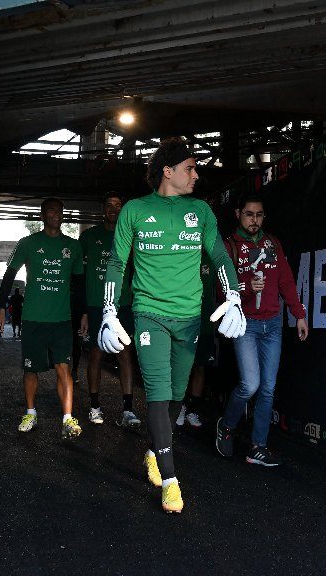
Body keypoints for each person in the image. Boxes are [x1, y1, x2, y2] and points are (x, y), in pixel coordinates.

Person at [98, 138, 245, 513]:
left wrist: (233, 297)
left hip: (190, 317)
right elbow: (117, 263)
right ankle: (170, 479)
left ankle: (153, 450)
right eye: (190, 168)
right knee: (159, 393)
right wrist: (109, 311)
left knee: (177, 393)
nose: (196, 175)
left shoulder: (201, 210)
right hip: (149, 313)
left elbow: (219, 256)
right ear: (168, 171)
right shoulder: (134, 210)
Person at [215, 194, 309, 466]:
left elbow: (287, 282)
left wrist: (299, 315)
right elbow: (222, 291)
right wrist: (245, 286)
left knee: (267, 389)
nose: (254, 219)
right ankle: (227, 425)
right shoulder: (229, 246)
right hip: (246, 324)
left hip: (273, 324)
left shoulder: (273, 244)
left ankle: (258, 446)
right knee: (250, 385)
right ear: (238, 214)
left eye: (258, 214)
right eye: (249, 214)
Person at [0, 198, 85, 439]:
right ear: (42, 215)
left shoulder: (73, 247)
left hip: (62, 320)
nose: (56, 214)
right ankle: (31, 413)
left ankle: (67, 419)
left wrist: (84, 314)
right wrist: (1, 307)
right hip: (33, 319)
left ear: (63, 215)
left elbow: (79, 284)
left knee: (63, 368)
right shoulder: (28, 243)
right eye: (51, 211)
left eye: (59, 211)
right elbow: (9, 275)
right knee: (30, 369)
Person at [78, 192, 142, 430]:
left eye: (118, 205)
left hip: (123, 305)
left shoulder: (130, 237)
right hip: (96, 306)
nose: (114, 209)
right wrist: (84, 310)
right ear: (102, 209)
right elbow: (78, 274)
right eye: (109, 205)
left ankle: (128, 410)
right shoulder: (89, 237)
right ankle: (94, 406)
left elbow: (140, 272)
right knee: (96, 355)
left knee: (125, 354)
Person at [175, 254, 218, 428]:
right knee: (182, 367)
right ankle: (178, 407)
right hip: (184, 321)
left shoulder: (212, 258)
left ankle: (191, 409)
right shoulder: (182, 255)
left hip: (206, 321)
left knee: (201, 367)